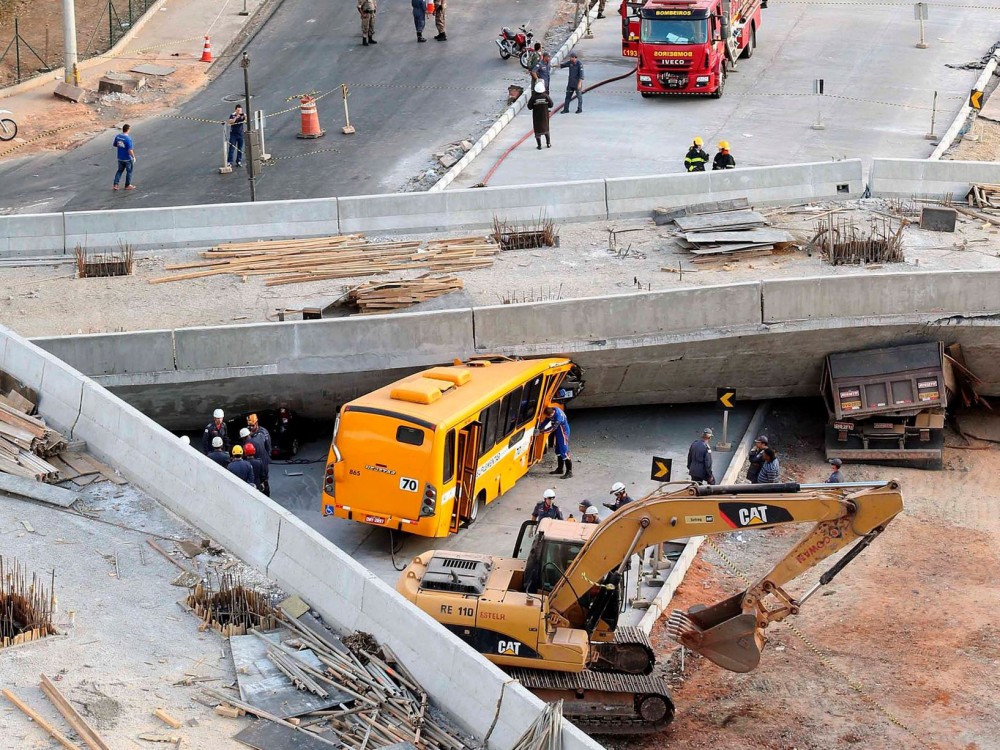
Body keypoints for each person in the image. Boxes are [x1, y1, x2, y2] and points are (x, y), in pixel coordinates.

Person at [542, 405, 572, 478]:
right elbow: (546, 420)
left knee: (564, 451)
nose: (548, 418)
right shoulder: (553, 410)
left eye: (549, 417)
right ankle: (560, 469)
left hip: (563, 433)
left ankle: (569, 472)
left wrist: (541, 431)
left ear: (551, 415)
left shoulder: (558, 418)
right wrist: (540, 427)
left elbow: (552, 429)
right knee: (558, 451)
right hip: (559, 432)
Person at [247, 414, 272, 495]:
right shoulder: (248, 431)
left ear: (256, 423)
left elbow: (268, 446)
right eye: (249, 425)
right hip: (253, 459)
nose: (250, 427)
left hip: (263, 459)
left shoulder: (263, 433)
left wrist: (266, 457)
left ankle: (266, 494)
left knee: (264, 479)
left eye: (252, 425)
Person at [527, 81, 553, 150]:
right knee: (546, 130)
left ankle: (539, 145)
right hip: (545, 116)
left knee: (537, 132)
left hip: (536, 117)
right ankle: (548, 144)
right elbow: (551, 105)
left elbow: (529, 107)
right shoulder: (546, 96)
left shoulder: (533, 97)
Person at [112, 124, 136, 191]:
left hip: (120, 157)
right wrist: (133, 157)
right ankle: (127, 185)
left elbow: (115, 144)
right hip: (127, 159)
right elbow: (130, 150)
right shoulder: (128, 139)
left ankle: (115, 184)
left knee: (119, 171)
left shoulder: (118, 136)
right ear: (128, 130)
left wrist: (121, 147)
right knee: (129, 172)